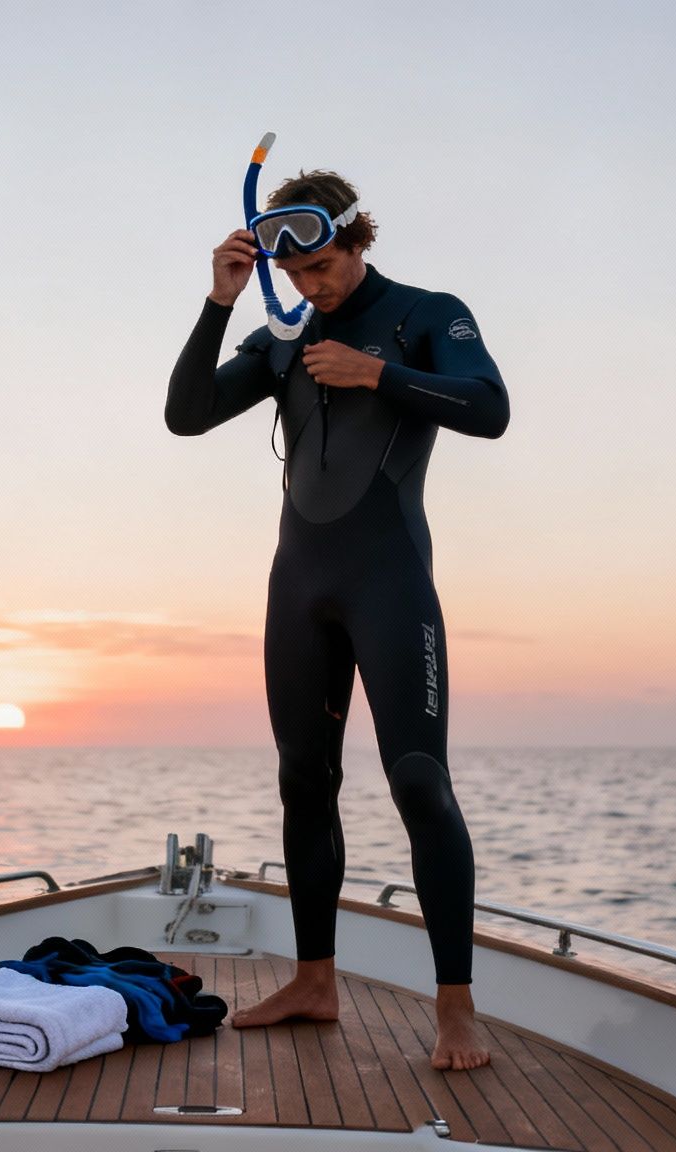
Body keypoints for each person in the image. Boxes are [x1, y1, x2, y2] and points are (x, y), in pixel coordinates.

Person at [164, 168, 509, 1071]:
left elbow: (491, 409)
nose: (313, 286)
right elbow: (185, 415)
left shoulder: (426, 314)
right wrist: (218, 304)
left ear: (360, 241)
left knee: (420, 784)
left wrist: (377, 374)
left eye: (324, 265)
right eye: (299, 272)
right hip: (298, 592)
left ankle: (455, 1011)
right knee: (302, 782)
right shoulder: (283, 339)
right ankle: (315, 983)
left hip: (390, 583)